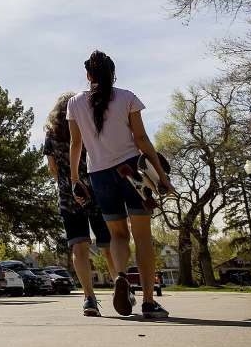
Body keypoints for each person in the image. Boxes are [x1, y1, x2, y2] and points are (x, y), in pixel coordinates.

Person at [67, 51, 172, 318]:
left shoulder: (75, 103)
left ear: (89, 76)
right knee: (143, 237)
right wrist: (161, 176)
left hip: (99, 175)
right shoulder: (127, 97)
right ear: (113, 74)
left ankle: (121, 276)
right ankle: (149, 302)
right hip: (131, 171)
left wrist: (75, 179)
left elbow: (75, 144)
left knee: (117, 235)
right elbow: (141, 139)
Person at [43, 92, 117, 316]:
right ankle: (121, 285)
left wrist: (66, 185)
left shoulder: (51, 134)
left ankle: (89, 298)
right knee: (108, 245)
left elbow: (52, 168)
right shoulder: (87, 127)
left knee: (79, 247)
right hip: (97, 192)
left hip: (68, 195)